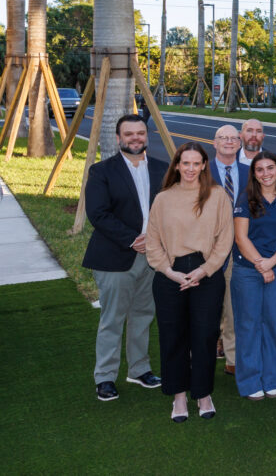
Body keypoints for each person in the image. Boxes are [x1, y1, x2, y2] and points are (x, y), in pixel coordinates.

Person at [146, 142, 234, 423]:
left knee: (205, 337)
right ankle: (179, 396)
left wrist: (204, 271)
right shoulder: (162, 199)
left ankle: (203, 393)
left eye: (197, 163)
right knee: (173, 338)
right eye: (186, 163)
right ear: (176, 165)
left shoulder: (218, 196)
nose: (191, 169)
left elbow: (224, 240)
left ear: (204, 165)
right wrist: (169, 272)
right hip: (170, 276)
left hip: (206, 276)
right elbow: (153, 242)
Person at [83, 114, 168, 401]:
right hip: (115, 257)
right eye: (129, 134)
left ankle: (139, 369)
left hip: (153, 257)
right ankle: (105, 377)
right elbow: (98, 214)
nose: (135, 138)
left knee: (143, 316)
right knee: (112, 319)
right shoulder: (101, 171)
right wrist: (134, 240)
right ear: (119, 138)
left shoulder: (162, 169)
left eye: (140, 133)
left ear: (146, 135)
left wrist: (155, 241)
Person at [231, 152, 276, 399]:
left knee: (274, 323)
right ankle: (250, 382)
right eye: (260, 169)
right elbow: (241, 238)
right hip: (248, 270)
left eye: (270, 168)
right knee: (248, 325)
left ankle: (272, 377)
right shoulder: (245, 198)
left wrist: (272, 263)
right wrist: (262, 265)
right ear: (254, 173)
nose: (266, 173)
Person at [210, 125, 249, 376]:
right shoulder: (202, 170)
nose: (228, 141)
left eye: (234, 138)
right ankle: (200, 352)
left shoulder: (249, 172)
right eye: (223, 138)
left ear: (240, 143)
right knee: (206, 307)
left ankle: (232, 359)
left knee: (234, 307)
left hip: (239, 249)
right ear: (214, 143)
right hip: (207, 250)